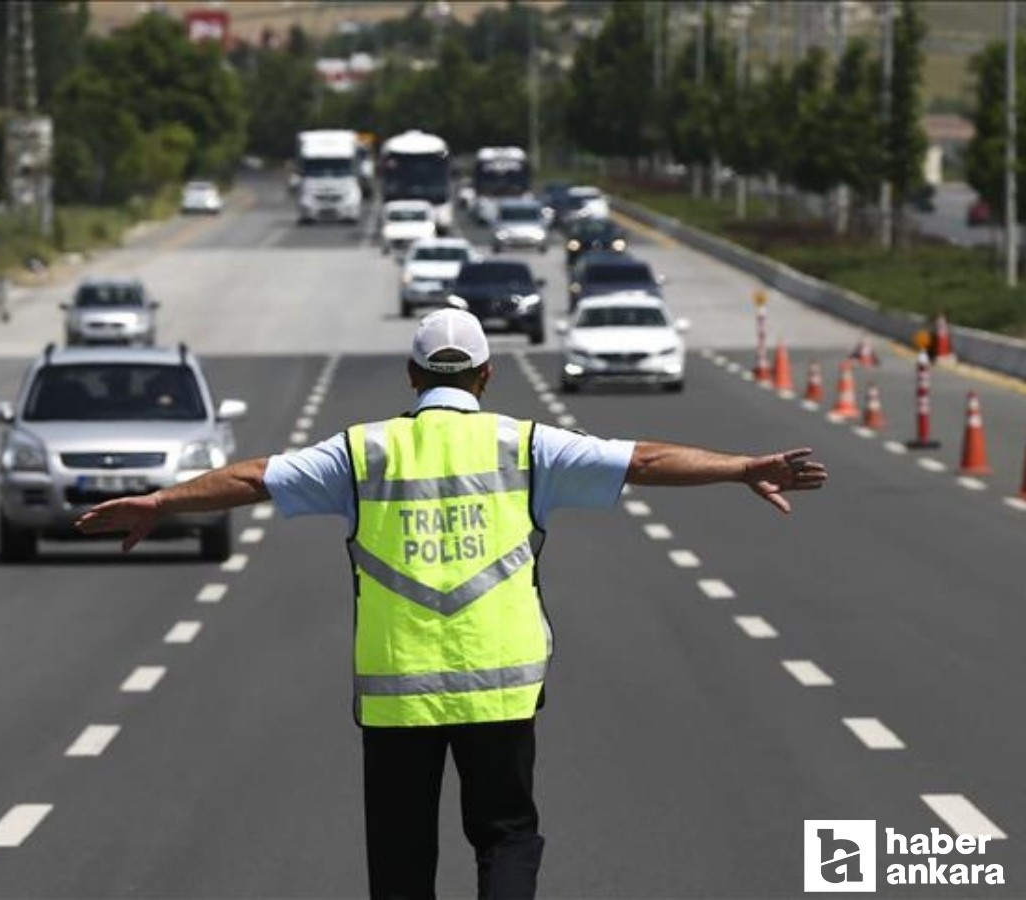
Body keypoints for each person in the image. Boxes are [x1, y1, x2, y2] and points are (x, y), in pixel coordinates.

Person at [75, 308, 828, 899]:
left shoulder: (362, 452)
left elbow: (251, 478)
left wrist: (161, 502)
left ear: (410, 374)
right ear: (487, 374)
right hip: (500, 682)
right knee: (505, 837)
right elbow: (645, 460)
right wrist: (741, 467)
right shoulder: (527, 445)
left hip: (398, 692)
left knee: (402, 862)